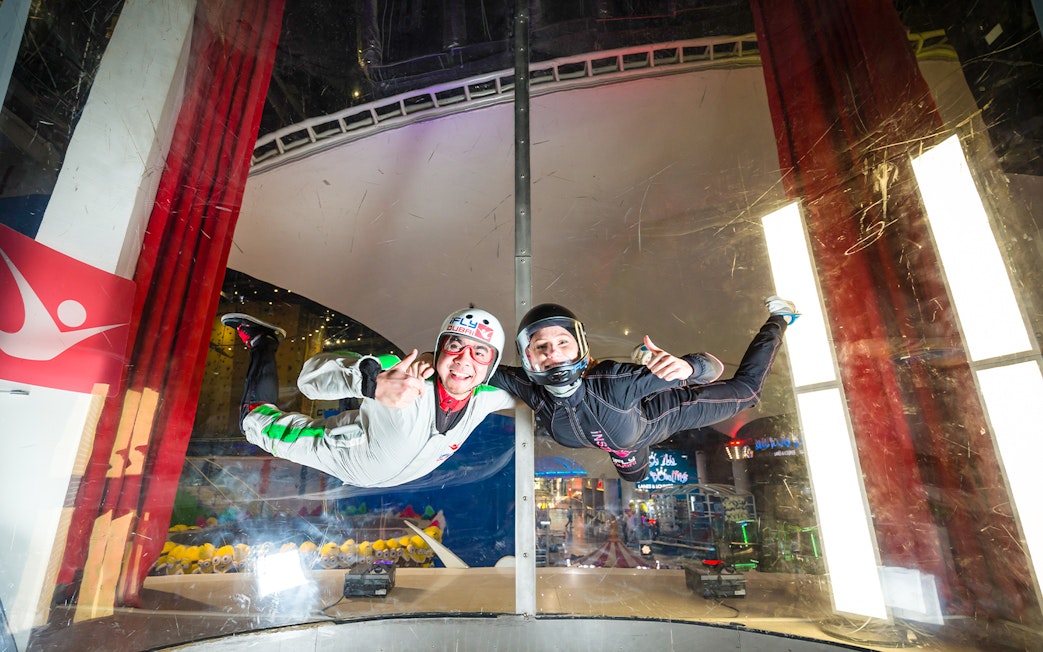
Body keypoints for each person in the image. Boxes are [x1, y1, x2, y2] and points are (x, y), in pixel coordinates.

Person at [488, 297, 799, 482]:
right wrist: (438, 358)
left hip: (663, 414)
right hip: (621, 439)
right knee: (635, 476)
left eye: (562, 343)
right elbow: (471, 366)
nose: (552, 353)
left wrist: (689, 367)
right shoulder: (529, 387)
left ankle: (780, 318)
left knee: (747, 393)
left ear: (580, 346)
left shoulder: (612, 382)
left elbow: (712, 369)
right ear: (528, 356)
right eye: (541, 346)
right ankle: (646, 365)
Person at [221, 307, 516, 488]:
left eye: (479, 353)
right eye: (455, 345)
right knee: (254, 423)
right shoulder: (401, 372)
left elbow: (537, 394)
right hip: (342, 450)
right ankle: (263, 342)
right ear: (440, 349)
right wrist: (371, 382)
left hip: (378, 474)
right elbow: (309, 380)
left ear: (491, 365)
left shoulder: (486, 397)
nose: (464, 360)